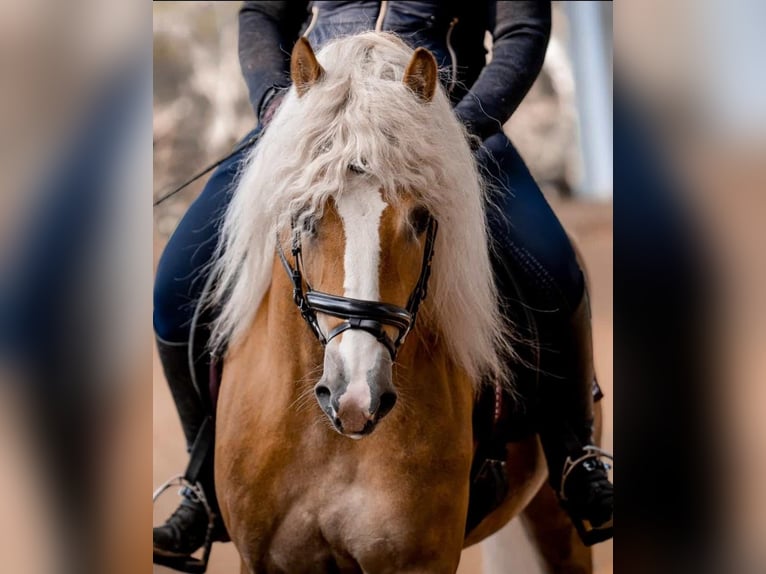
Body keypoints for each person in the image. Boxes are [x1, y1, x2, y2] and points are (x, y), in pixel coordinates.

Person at [153, 1, 613, 567]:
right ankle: (202, 482)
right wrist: (278, 102)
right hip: (317, 122)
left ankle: (574, 456)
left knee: (552, 267)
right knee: (176, 283)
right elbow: (262, 14)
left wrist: (456, 127)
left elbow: (522, 26)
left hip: (442, 119)